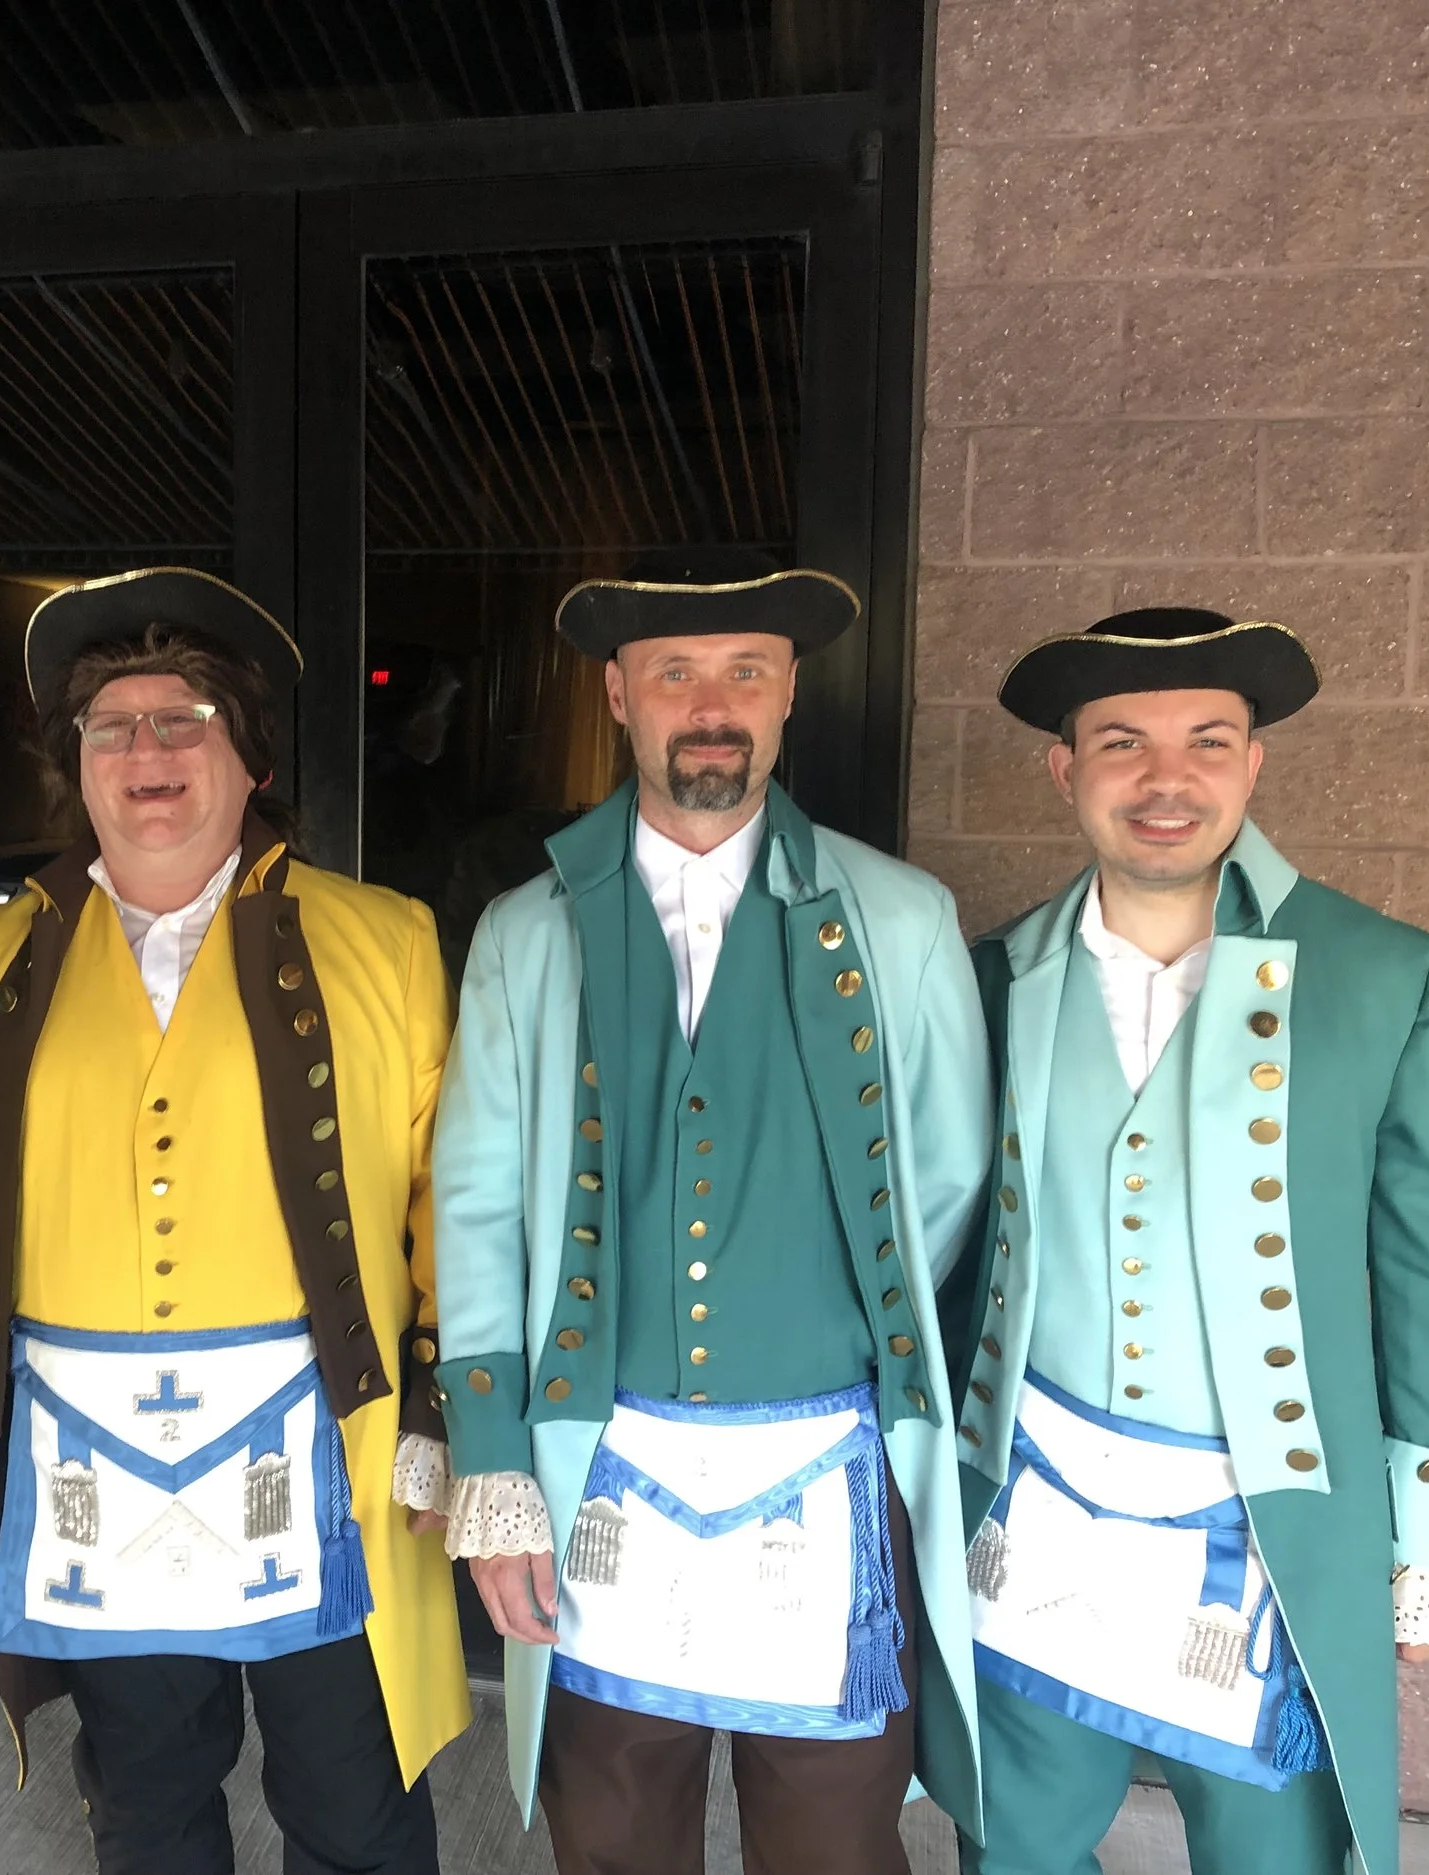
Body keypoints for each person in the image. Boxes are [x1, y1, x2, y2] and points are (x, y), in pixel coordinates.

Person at [0, 567, 467, 1875]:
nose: (149, 751)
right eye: (113, 726)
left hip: (324, 1455)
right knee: (145, 1804)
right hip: (89, 1464)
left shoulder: (389, 940)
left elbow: (449, 1196)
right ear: (76, 765)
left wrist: (441, 1404)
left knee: (356, 1808)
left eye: (187, 716)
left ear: (252, 757)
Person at [427, 551, 996, 1875]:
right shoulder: (527, 928)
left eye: (747, 670)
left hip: (826, 1474)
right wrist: (497, 1464)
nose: (713, 702)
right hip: (597, 1468)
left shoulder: (904, 921)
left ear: (790, 694)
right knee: (612, 1833)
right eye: (677, 673)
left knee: (835, 1840)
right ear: (620, 695)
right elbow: (475, 1203)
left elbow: (949, 1184)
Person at [954, 607, 1429, 1875]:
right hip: (1034, 1495)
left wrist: (1426, 1545)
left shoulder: (1386, 975)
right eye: (1120, 744)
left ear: (1253, 764)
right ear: (1065, 770)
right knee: (1017, 1845)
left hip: (1259, 1521)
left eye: (1208, 740)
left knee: (1272, 1855)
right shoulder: (989, 980)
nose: (1165, 779)